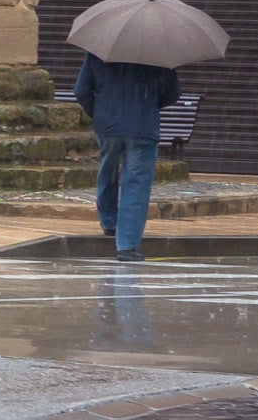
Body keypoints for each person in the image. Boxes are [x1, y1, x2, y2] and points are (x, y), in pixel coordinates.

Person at [74, 50, 181, 262]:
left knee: (108, 169)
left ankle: (109, 221)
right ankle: (127, 246)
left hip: (108, 126)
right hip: (142, 126)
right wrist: (150, 103)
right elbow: (173, 93)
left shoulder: (99, 51)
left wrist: (100, 112)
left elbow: (81, 91)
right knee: (136, 183)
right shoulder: (159, 53)